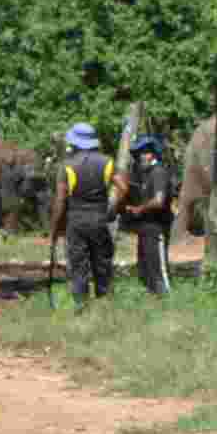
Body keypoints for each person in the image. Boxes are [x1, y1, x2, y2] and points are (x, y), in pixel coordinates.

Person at [51, 121, 116, 306]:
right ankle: (105, 303)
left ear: (74, 143)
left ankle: (81, 305)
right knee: (102, 262)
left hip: (76, 222)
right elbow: (123, 185)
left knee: (78, 265)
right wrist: (112, 208)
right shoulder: (107, 162)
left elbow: (60, 201)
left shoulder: (66, 166)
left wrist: (55, 228)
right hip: (99, 220)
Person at [119, 132, 175, 296]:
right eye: (138, 153)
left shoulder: (158, 172)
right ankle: (152, 297)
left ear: (153, 153)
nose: (140, 156)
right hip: (144, 229)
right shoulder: (143, 174)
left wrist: (138, 209)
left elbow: (159, 201)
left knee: (158, 268)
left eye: (144, 152)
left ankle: (167, 299)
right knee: (145, 267)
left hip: (157, 227)